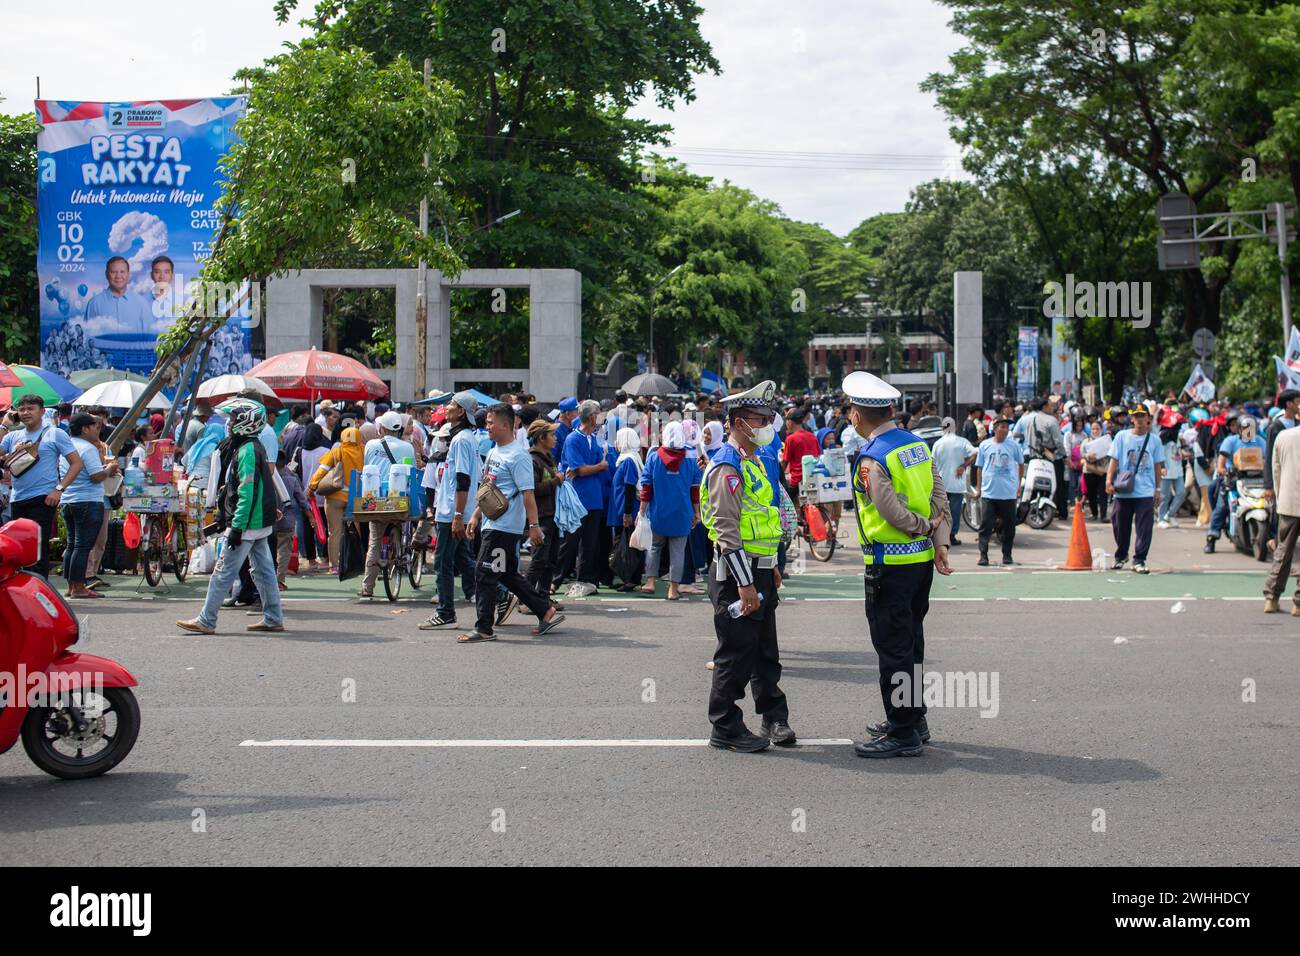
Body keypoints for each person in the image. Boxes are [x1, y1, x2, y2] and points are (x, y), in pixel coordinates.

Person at [841, 371, 952, 758]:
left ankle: (903, 730)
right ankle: (913, 718)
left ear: (857, 416)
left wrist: (924, 529)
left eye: (851, 411)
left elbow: (889, 512)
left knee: (893, 649)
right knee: (912, 644)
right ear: (890, 409)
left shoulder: (871, 459)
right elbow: (939, 493)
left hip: (889, 565)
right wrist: (938, 540)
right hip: (920, 566)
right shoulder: (917, 446)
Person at [699, 380, 793, 753]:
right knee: (735, 655)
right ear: (739, 422)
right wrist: (745, 585)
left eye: (770, 417)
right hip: (737, 575)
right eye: (761, 417)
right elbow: (727, 533)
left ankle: (773, 715)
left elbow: (763, 521)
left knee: (765, 652)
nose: (769, 424)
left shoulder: (753, 461)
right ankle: (725, 725)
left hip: (759, 570)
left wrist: (770, 566)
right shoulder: (728, 466)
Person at [455, 404, 564, 643]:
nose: (487, 426)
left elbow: (528, 494)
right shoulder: (495, 451)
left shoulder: (519, 456)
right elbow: (488, 489)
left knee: (484, 573)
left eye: (491, 422)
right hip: (492, 523)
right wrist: (475, 515)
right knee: (504, 574)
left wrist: (534, 527)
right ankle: (545, 610)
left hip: (504, 528)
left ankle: (484, 628)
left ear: (506, 424)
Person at [177, 400, 285, 634]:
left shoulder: (247, 450)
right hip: (257, 523)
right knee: (264, 571)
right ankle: (273, 617)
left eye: (234, 418)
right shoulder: (253, 446)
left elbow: (246, 491)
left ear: (246, 422)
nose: (229, 423)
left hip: (246, 524)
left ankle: (206, 620)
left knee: (223, 572)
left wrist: (236, 527)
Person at [0, 393, 85, 577]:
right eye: (21, 409)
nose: (25, 413)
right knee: (18, 549)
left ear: (42, 411)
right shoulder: (13, 436)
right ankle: (22, 591)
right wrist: (4, 425)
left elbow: (77, 463)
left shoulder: (55, 433)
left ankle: (38, 589)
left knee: (38, 548)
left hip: (43, 498)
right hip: (17, 499)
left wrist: (59, 490)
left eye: (31, 409)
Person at [419, 392, 482, 630]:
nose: (447, 407)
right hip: (454, 510)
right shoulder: (464, 438)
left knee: (443, 563)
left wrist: (457, 515)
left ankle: (445, 613)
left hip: (452, 511)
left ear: (461, 412)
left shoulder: (461, 440)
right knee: (461, 559)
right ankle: (502, 593)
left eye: (452, 405)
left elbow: (463, 479)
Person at [356, 411, 418, 599]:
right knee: (405, 521)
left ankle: (368, 587)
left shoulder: (371, 445)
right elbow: (413, 471)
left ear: (382, 428)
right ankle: (404, 550)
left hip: (374, 499)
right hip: (399, 500)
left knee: (374, 542)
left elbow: (367, 467)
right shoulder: (407, 447)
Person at [637, 421, 701, 600]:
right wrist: (697, 512)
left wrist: (641, 511)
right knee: (678, 551)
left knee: (654, 547)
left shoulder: (654, 456)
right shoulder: (690, 457)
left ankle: (650, 582)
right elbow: (695, 489)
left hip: (658, 511)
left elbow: (646, 487)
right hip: (682, 512)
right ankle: (673, 589)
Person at [60, 413, 118, 599]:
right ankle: (78, 587)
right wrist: (109, 470)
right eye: (95, 426)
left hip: (69, 499)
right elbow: (96, 476)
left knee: (72, 545)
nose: (97, 430)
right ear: (85, 428)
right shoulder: (88, 448)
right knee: (82, 546)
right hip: (87, 500)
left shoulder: (68, 446)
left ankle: (71, 585)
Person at [557, 400, 608, 597]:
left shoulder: (594, 438)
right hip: (578, 497)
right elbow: (578, 469)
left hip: (594, 497)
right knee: (571, 541)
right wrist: (600, 467)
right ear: (592, 416)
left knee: (590, 543)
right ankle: (556, 578)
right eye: (598, 414)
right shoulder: (573, 439)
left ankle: (585, 579)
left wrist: (595, 467)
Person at [1107, 404, 1165, 573]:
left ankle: (1139, 559)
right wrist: (1108, 481)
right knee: (1119, 523)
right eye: (1136, 416)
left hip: (1145, 490)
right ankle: (1121, 555)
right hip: (1124, 489)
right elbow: (1114, 460)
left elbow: (1157, 465)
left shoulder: (1155, 440)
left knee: (1144, 527)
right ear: (1131, 419)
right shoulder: (1121, 437)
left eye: (1143, 416)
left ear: (1148, 419)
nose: (1139, 419)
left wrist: (1158, 489)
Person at [1204, 414, 1265, 554]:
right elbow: (1221, 461)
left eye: (1251, 427)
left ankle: (1273, 537)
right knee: (1222, 506)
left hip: (1257, 480)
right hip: (1233, 479)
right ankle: (1211, 537)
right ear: (1239, 429)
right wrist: (1222, 469)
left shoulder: (1260, 441)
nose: (1249, 431)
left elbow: (1267, 459)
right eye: (1245, 427)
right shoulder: (1230, 441)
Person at [308, 426, 364, 573]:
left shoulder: (336, 451)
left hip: (335, 497)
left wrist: (312, 487)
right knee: (359, 530)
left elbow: (321, 471)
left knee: (335, 532)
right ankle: (363, 561)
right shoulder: (364, 451)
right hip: (357, 499)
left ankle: (334, 565)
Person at [971, 418, 1025, 566]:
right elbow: (980, 467)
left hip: (1008, 493)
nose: (1005, 429)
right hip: (989, 493)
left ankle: (1007, 555)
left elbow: (1021, 464)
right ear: (995, 429)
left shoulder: (1014, 446)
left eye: (1007, 427)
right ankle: (983, 555)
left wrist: (1018, 485)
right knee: (986, 526)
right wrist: (979, 488)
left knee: (1009, 526)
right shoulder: (985, 445)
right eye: (1002, 427)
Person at [525, 419, 566, 600]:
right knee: (539, 560)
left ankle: (543, 598)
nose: (555, 438)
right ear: (541, 438)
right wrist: (556, 480)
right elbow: (532, 489)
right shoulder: (532, 460)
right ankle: (524, 597)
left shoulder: (548, 458)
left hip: (553, 515)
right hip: (541, 516)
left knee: (550, 560)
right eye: (551, 435)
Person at [1264, 419, 1300, 615]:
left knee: (1283, 551)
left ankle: (1271, 598)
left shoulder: (1284, 436)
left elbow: (1275, 471)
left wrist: (1280, 496)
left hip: (1287, 501)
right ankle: (1298, 604)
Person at [606, 426, 643, 591]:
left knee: (630, 545)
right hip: (623, 509)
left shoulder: (628, 461)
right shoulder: (628, 459)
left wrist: (627, 512)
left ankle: (632, 579)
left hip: (627, 510)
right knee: (627, 543)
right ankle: (628, 578)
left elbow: (629, 487)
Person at [930, 417, 976, 546]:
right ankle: (951, 536)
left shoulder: (938, 443)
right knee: (954, 512)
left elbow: (932, 463)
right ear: (954, 426)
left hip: (940, 483)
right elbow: (975, 453)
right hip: (956, 484)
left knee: (939, 511)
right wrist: (963, 465)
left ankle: (938, 535)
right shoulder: (962, 442)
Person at [83, 256, 154, 338]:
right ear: (106, 274)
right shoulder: (94, 303)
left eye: (122, 272)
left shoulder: (141, 302)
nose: (118, 276)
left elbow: (150, 337)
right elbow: (87, 337)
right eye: (113, 272)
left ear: (128, 274)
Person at [274, 450, 313, 589]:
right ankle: (279, 580)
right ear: (286, 462)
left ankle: (268, 580)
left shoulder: (267, 476)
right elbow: (302, 499)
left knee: (268, 550)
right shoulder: (292, 477)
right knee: (284, 551)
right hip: (287, 519)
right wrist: (311, 517)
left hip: (268, 520)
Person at [1081, 420, 1112, 521]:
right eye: (1093, 429)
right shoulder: (1086, 441)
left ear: (1101, 429)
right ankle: (1094, 513)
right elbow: (1082, 453)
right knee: (1091, 493)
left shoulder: (1106, 440)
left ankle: (1103, 516)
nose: (1095, 431)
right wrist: (1088, 456)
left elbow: (1111, 452)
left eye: (1097, 429)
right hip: (1089, 471)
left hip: (1102, 470)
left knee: (1103, 493)